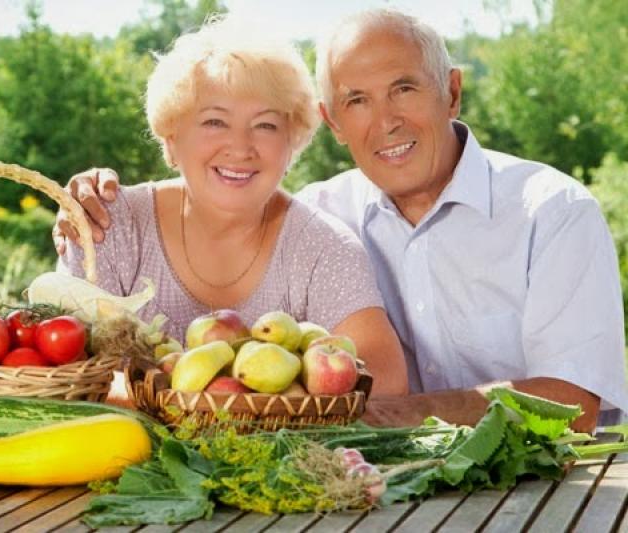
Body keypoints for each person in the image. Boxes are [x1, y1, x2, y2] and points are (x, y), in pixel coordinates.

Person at [54, 9, 627, 432]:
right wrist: (87, 199)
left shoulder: (551, 211)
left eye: (404, 88)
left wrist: (386, 414)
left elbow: (572, 405)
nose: (385, 122)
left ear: (451, 92)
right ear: (331, 122)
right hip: (389, 480)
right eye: (357, 100)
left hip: (566, 482)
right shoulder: (325, 213)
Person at [56, 16, 408, 397]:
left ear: (291, 144)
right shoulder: (111, 224)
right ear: (172, 139)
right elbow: (67, 370)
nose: (240, 147)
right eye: (214, 122)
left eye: (266, 125)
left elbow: (386, 383)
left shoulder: (324, 246)